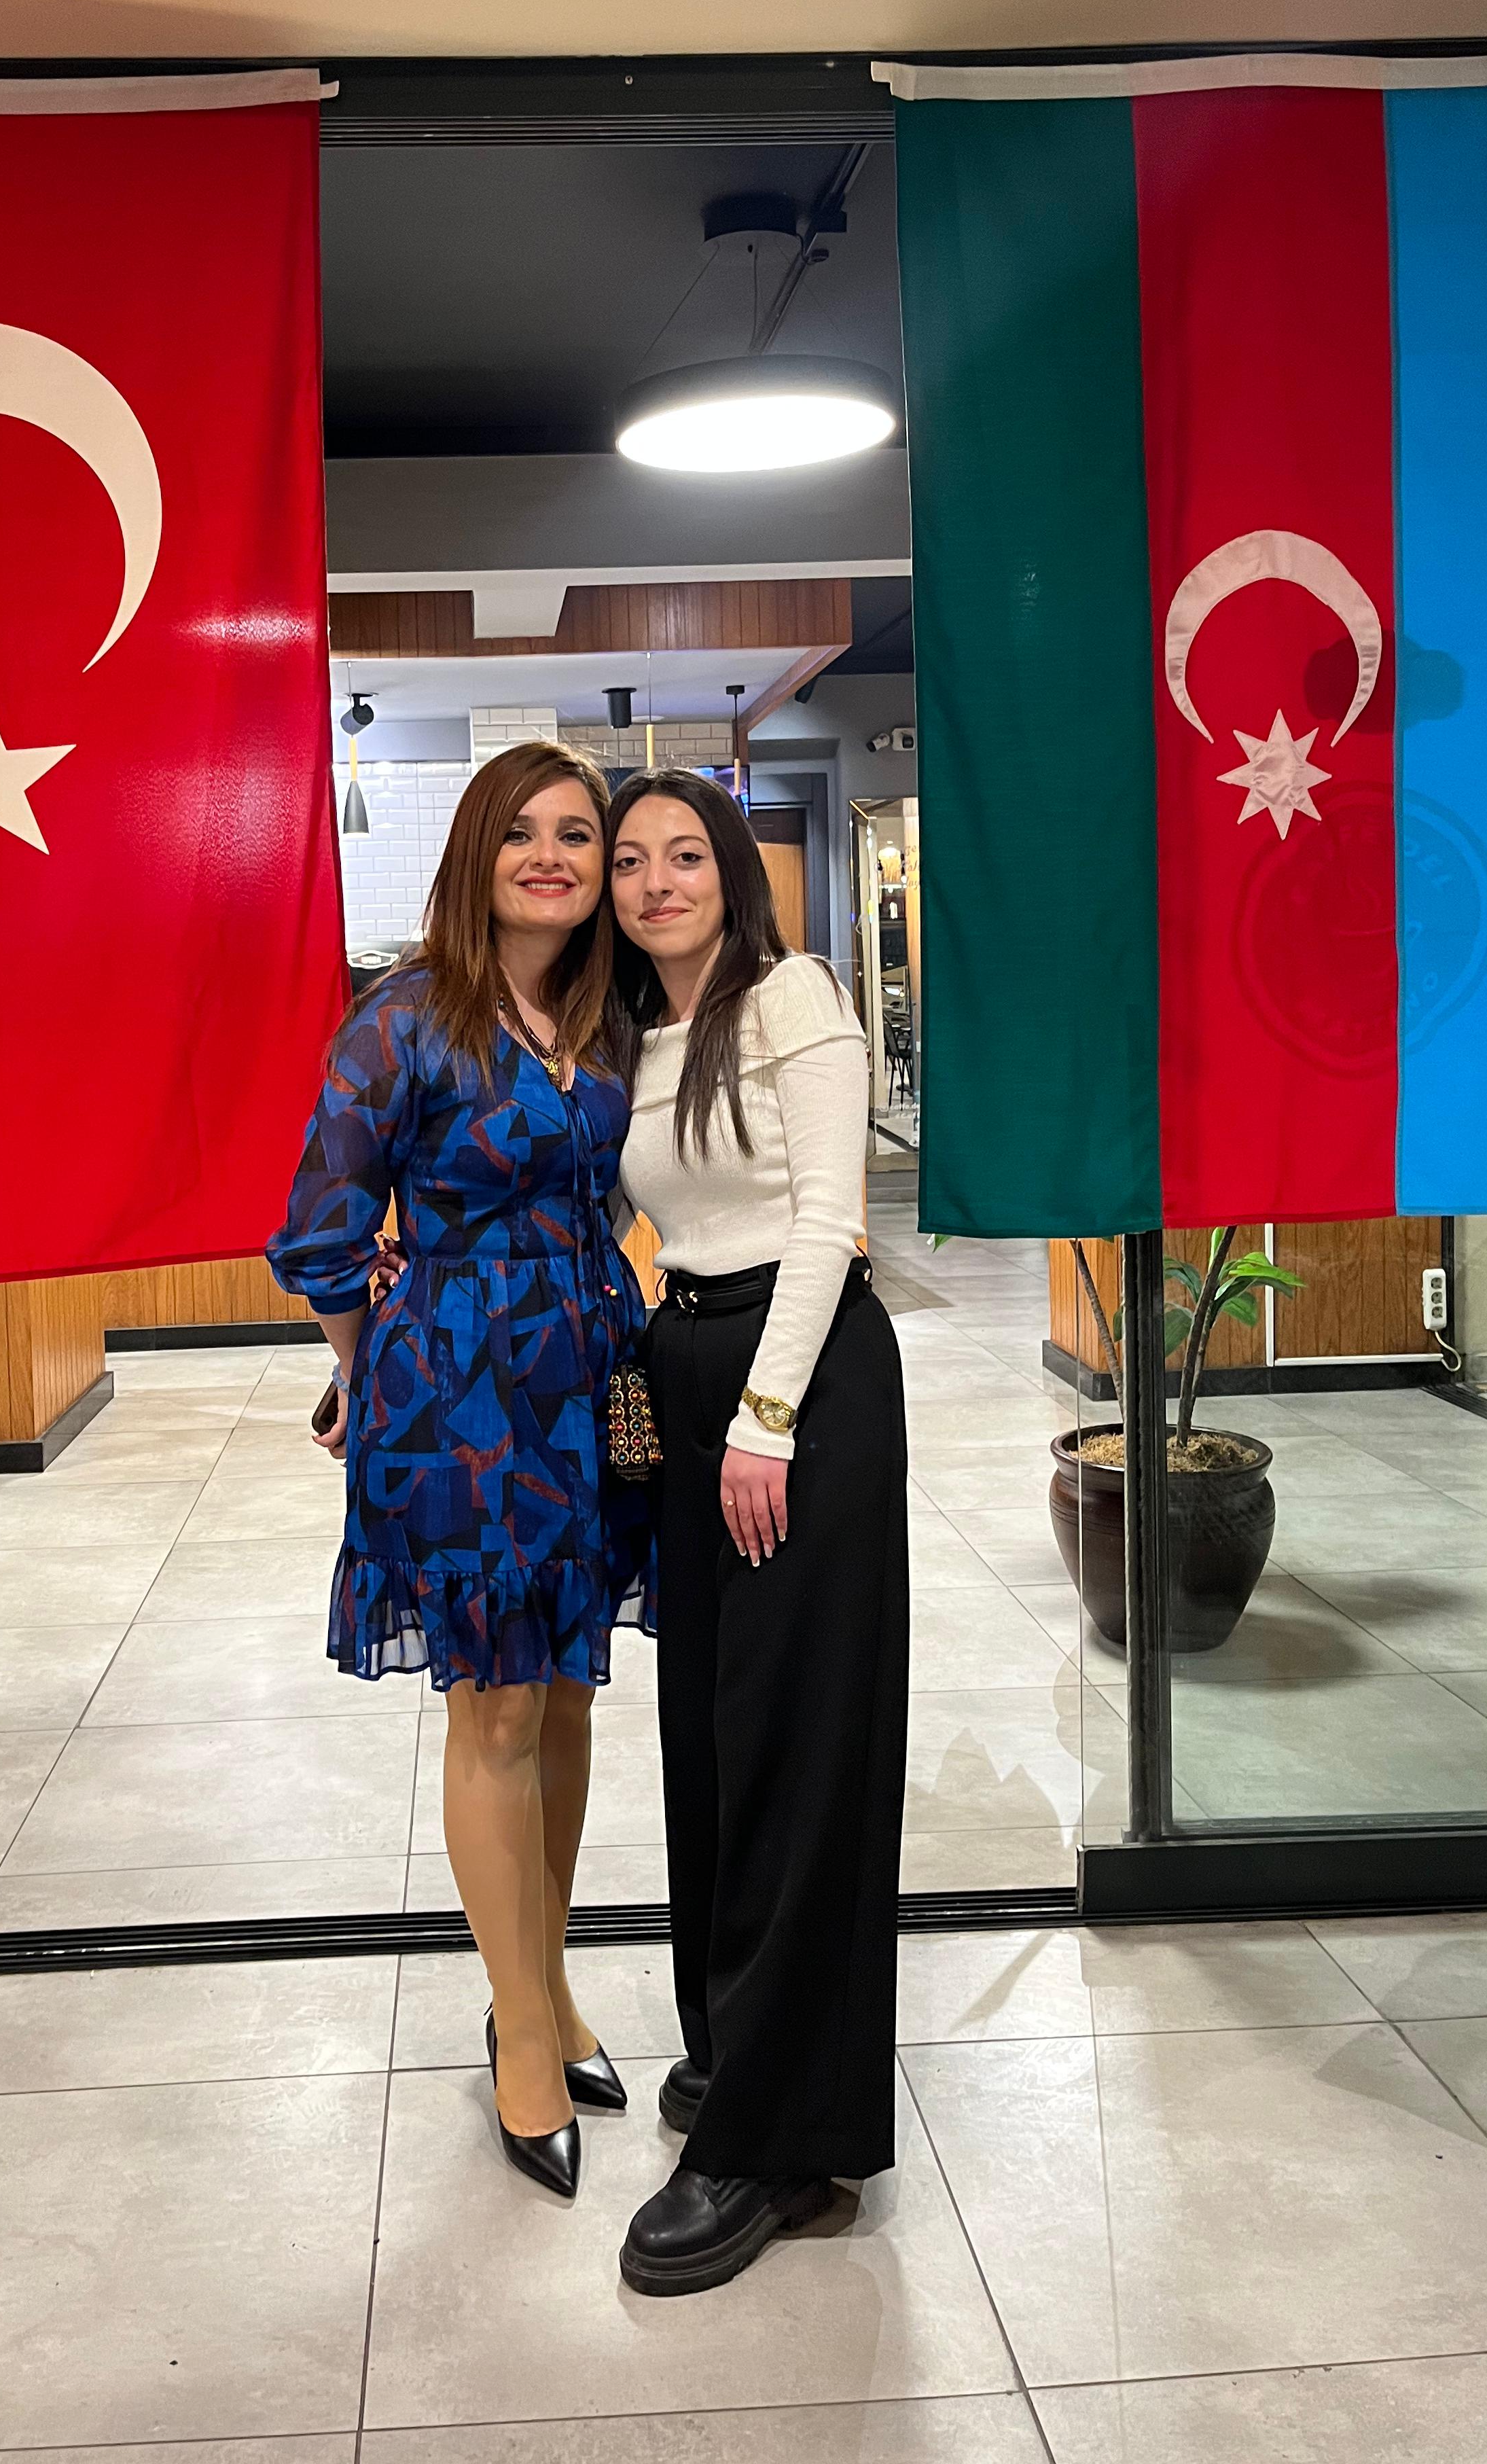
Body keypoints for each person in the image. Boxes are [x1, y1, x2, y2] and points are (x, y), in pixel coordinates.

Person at [267, 738, 651, 2200]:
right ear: (475, 855)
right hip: (460, 1398)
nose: (552, 857)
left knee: (567, 1694)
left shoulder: (611, 1019)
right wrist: (371, 1362)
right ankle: (523, 2044)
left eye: (578, 834)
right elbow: (320, 1230)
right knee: (494, 1706)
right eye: (521, 833)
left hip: (592, 1383)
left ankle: (541, 1988)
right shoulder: (406, 1020)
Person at [605, 766, 908, 2295]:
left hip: (799, 1386)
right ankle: (738, 2042)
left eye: (685, 853)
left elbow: (823, 1219)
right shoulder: (636, 1035)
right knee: (713, 1736)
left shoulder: (795, 999)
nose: (657, 880)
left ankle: (781, 2146)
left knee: (797, 1745)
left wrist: (767, 1417)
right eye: (630, 860)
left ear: (733, 866)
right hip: (689, 1364)